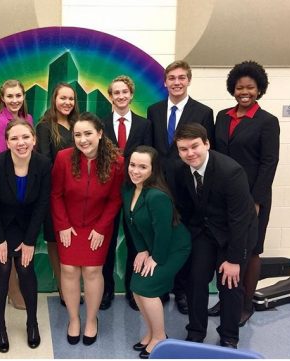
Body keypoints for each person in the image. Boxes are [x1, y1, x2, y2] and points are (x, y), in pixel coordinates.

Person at [173, 123, 257, 349]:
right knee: (196, 280)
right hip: (204, 231)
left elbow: (239, 220)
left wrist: (233, 260)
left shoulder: (231, 171)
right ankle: (196, 331)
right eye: (183, 149)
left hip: (235, 232)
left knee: (230, 285)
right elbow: (186, 209)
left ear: (207, 143)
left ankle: (229, 336)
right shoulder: (181, 171)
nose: (190, 153)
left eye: (195, 146)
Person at [209, 60, 280, 325]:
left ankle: (244, 304)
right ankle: (227, 299)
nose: (244, 92)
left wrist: (257, 201)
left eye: (250, 87)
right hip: (222, 197)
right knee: (225, 247)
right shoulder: (222, 116)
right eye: (239, 87)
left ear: (259, 89)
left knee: (250, 252)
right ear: (233, 89)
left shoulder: (267, 122)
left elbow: (269, 163)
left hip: (252, 198)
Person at [147, 60, 214, 315]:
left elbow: (208, 151)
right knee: (159, 234)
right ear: (164, 82)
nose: (176, 82)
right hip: (159, 185)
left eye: (181, 77)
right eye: (171, 78)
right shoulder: (153, 110)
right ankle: (161, 286)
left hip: (188, 186)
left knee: (184, 237)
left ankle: (182, 291)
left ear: (188, 80)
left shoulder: (204, 112)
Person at [51, 112, 124, 346]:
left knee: (93, 272)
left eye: (88, 134)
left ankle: (91, 320)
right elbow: (56, 195)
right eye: (78, 134)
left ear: (100, 134)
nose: (83, 139)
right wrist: (62, 225)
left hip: (98, 227)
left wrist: (102, 228)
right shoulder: (63, 158)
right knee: (69, 270)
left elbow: (115, 199)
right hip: (69, 227)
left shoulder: (116, 162)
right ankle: (74, 319)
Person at [0, 119, 51, 353]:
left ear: (34, 139)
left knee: (25, 269)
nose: (20, 143)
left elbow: (42, 204)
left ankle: (32, 322)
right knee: (1, 269)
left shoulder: (43, 164)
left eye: (25, 137)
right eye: (14, 138)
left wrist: (30, 240)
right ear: (7, 142)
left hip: (27, 227)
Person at [123, 146, 190, 358]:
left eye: (143, 167)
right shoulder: (129, 190)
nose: (135, 170)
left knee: (148, 288)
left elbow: (164, 232)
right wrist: (142, 250)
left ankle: (160, 337)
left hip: (173, 248)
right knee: (135, 287)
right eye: (133, 165)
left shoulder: (156, 196)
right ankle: (151, 332)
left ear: (153, 170)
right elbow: (131, 223)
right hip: (152, 246)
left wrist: (156, 258)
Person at [101, 75, 153, 311]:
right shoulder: (100, 124)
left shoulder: (145, 125)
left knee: (136, 242)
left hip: (136, 191)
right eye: (116, 92)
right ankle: (107, 290)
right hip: (108, 191)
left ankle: (134, 290)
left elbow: (151, 159)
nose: (120, 96)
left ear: (131, 95)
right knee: (107, 243)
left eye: (125, 92)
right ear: (110, 97)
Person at [0, 79, 33, 309]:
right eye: (10, 96)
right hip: (8, 198)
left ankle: (18, 290)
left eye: (18, 95)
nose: (15, 100)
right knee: (8, 252)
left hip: (26, 197)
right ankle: (13, 292)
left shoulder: (28, 120)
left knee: (21, 249)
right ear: (3, 98)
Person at [36, 82, 79, 306]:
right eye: (63, 98)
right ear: (54, 100)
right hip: (55, 193)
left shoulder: (78, 125)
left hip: (80, 195)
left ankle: (74, 286)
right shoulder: (45, 127)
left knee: (73, 240)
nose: (67, 102)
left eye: (71, 99)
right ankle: (64, 289)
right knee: (55, 240)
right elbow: (44, 161)